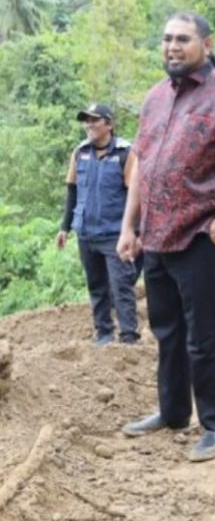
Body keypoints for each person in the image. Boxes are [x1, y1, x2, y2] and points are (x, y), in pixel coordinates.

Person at [117, 12, 215, 462]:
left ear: (207, 43)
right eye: (167, 38)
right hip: (156, 237)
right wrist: (129, 226)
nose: (173, 46)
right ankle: (173, 413)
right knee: (167, 332)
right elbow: (142, 166)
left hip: (203, 236)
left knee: (206, 337)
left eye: (183, 39)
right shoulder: (155, 97)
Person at [56, 103, 140, 346]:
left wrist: (135, 232)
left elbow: (136, 195)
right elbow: (72, 192)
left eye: (95, 120)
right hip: (86, 232)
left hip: (115, 233)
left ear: (109, 124)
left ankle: (129, 336)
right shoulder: (79, 153)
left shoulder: (125, 153)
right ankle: (103, 332)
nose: (89, 125)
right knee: (96, 286)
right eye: (87, 121)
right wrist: (65, 227)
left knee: (121, 285)